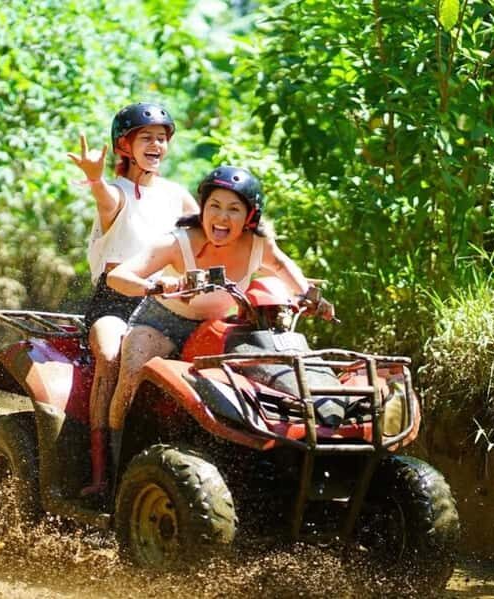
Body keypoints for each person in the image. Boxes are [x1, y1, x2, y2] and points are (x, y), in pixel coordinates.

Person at [104, 165, 334, 479]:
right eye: (214, 206)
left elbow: (282, 266)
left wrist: (310, 296)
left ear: (250, 217)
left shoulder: (258, 245)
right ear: (203, 209)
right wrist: (158, 285)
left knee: (251, 391)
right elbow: (118, 277)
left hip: (214, 330)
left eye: (233, 209)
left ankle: (259, 469)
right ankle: (113, 468)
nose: (222, 217)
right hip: (160, 323)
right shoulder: (178, 241)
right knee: (131, 374)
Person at [54, 102, 198, 503]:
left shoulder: (178, 196)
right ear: (125, 145)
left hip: (168, 303)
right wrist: (95, 178)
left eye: (162, 138)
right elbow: (106, 203)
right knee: (112, 354)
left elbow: (213, 236)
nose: (156, 144)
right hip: (114, 301)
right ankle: (103, 475)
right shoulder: (115, 192)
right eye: (146, 137)